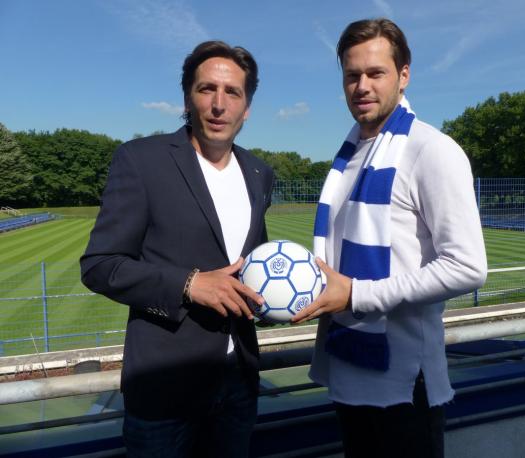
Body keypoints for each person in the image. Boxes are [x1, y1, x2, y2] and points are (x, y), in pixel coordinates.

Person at [292, 18, 487, 457]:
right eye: (351, 75)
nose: (362, 85)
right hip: (349, 371)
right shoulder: (347, 157)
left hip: (405, 386)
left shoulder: (432, 150)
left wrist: (356, 293)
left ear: (403, 75)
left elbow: (469, 266)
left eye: (376, 73)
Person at [80, 40, 274, 458]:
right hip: (165, 390)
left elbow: (252, 263)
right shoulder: (141, 160)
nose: (219, 104)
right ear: (188, 96)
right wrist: (188, 284)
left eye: (233, 92)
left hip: (238, 383)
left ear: (248, 106)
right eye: (207, 89)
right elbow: (99, 265)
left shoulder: (259, 173)